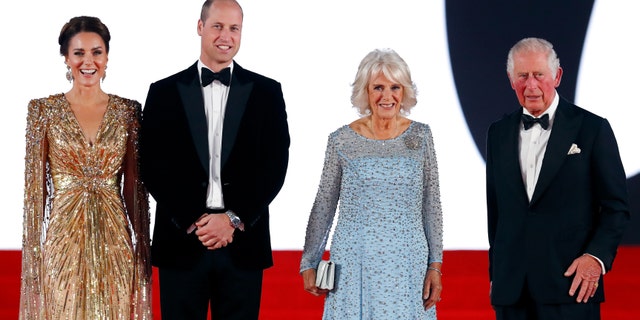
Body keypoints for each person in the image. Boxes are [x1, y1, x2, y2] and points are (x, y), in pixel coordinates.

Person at [139, 0, 290, 319]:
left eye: (234, 28)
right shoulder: (163, 91)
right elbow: (152, 164)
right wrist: (194, 218)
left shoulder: (267, 92)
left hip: (243, 244)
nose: (226, 36)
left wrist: (233, 218)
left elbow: (275, 165)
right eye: (218, 26)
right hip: (182, 241)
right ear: (200, 27)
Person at [486, 37, 630, 320]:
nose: (531, 85)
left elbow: (616, 208)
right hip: (511, 292)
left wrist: (595, 258)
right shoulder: (497, 133)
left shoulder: (592, 129)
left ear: (557, 76)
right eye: (522, 76)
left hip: (571, 287)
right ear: (510, 79)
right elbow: (496, 213)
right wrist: (497, 274)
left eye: (539, 75)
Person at [19, 16, 151, 319]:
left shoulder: (128, 112)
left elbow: (133, 187)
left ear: (106, 56)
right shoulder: (42, 111)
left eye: (96, 52)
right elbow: (34, 193)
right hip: (62, 239)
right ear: (66, 57)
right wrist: (34, 256)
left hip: (114, 237)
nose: (88, 61)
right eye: (79, 53)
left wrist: (142, 247)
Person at [300, 48, 443, 319]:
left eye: (394, 87)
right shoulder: (341, 140)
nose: (386, 96)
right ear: (365, 91)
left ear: (404, 92)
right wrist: (309, 260)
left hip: (408, 264)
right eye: (378, 87)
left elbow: (431, 205)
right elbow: (324, 203)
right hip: (353, 263)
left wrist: (435, 266)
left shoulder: (421, 136)